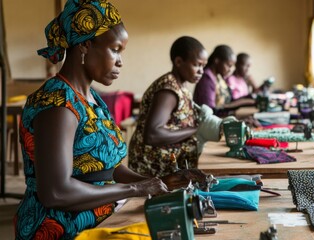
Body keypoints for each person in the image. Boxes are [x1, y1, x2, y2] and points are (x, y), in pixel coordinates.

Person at [14, 1, 170, 239]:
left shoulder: (91, 98)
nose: (120, 61)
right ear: (85, 45)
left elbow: (110, 169)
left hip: (97, 223)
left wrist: (160, 184)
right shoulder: (56, 103)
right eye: (115, 49)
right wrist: (135, 189)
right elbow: (56, 192)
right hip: (60, 229)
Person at [128, 36, 208, 178]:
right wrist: (195, 129)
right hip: (154, 169)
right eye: (197, 65)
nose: (201, 71)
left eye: (203, 66)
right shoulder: (169, 90)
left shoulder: (181, 85)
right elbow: (153, 135)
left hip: (169, 166)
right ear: (178, 62)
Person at [193, 45, 255, 117]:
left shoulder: (219, 77)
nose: (229, 70)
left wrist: (250, 98)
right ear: (217, 61)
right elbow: (209, 112)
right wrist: (238, 115)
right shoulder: (207, 78)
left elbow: (230, 102)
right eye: (228, 65)